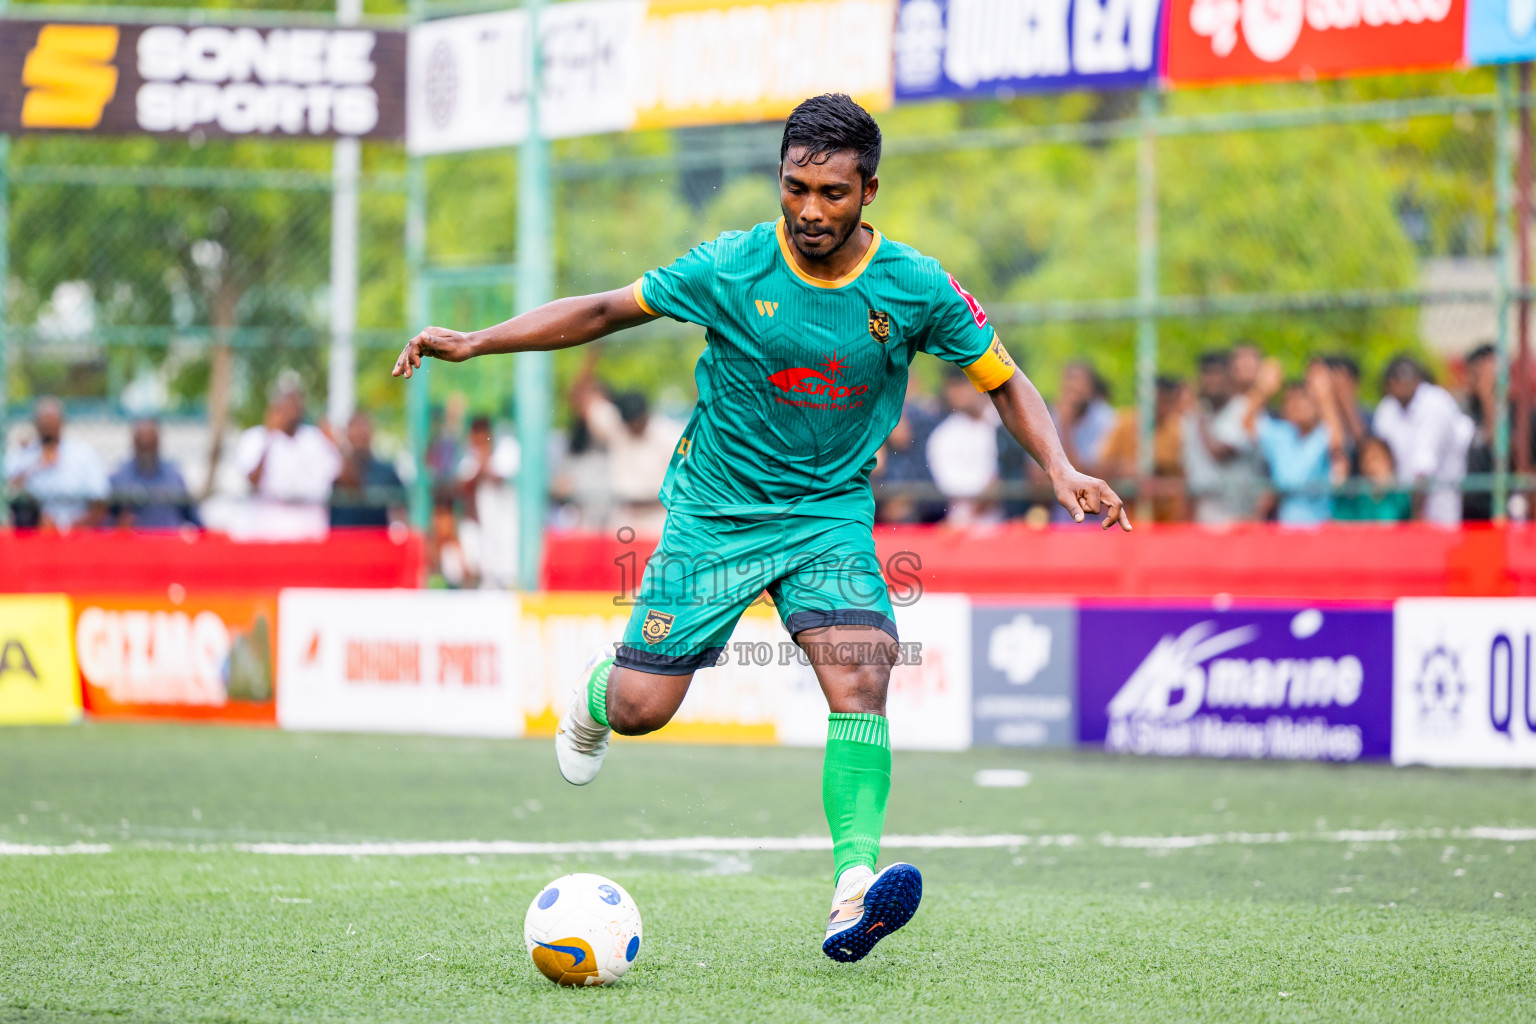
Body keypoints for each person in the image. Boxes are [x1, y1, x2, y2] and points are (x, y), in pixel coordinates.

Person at [392, 94, 1128, 965]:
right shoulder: (733, 265)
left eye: (833, 193)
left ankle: (852, 892)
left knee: (862, 672)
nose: (811, 211)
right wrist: (476, 343)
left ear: (870, 191)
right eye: (795, 187)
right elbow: (602, 311)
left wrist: (1061, 468)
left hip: (828, 519)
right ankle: (597, 696)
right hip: (717, 515)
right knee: (641, 708)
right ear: (778, 179)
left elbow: (1003, 378)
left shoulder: (916, 286)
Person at [572, 363, 683, 534]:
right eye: (631, 425)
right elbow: (580, 398)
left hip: (659, 517)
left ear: (647, 415)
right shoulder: (616, 427)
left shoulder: (669, 434)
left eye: (639, 423)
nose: (635, 428)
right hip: (624, 516)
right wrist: (591, 354)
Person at [232, 375, 341, 541]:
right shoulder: (256, 438)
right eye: (286, 404)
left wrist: (337, 444)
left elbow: (347, 481)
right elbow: (252, 481)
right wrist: (270, 437)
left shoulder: (316, 439)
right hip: (266, 535)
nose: (292, 410)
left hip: (309, 534)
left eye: (296, 404)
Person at [1371, 356, 1474, 526]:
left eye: (1406, 377)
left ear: (1418, 379)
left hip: (1440, 508)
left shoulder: (1435, 402)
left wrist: (1415, 517)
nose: (1401, 384)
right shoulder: (1387, 408)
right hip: (1402, 509)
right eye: (1396, 379)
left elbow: (1423, 468)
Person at [1245, 359, 1346, 526]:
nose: (1296, 405)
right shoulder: (1280, 434)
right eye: (1290, 400)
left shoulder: (1321, 435)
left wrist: (1324, 396)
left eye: (1302, 399)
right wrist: (1262, 390)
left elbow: (1337, 443)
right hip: (1286, 529)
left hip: (1319, 527)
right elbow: (1247, 424)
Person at [1182, 350, 1268, 524]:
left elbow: (1220, 452)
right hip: (1203, 520)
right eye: (1207, 374)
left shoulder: (1245, 410)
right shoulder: (1192, 418)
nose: (1212, 380)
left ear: (1230, 377)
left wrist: (1200, 419)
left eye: (1218, 373)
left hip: (1240, 519)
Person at [4, 397, 108, 531]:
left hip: (75, 533)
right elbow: (7, 490)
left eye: (52, 423)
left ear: (62, 422)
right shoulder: (22, 455)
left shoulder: (84, 455)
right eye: (44, 423)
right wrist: (37, 466)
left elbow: (100, 500)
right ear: (35, 423)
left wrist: (67, 529)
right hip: (32, 533)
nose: (48, 428)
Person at [1098, 376, 1189, 522]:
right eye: (1155, 401)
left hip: (1167, 521)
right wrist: (1125, 469)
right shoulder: (1124, 423)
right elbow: (1100, 467)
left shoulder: (1178, 431)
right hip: (1125, 518)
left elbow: (1182, 476)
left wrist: (1160, 485)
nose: (1159, 407)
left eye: (1165, 401)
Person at [1461, 343, 1536, 521]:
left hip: (1509, 512)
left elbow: (1510, 457)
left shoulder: (1524, 415)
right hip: (1469, 515)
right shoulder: (1463, 413)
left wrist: (1489, 398)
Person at [926, 367, 1000, 525]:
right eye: (954, 387)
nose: (958, 393)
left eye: (964, 385)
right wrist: (987, 491)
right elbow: (948, 483)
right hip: (963, 525)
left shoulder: (1001, 422)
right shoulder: (944, 435)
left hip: (1011, 524)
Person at [108, 418, 199, 529]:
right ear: (134, 443)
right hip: (132, 544)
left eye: (150, 443)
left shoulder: (174, 477)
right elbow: (104, 522)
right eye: (141, 443)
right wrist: (117, 526)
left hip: (168, 542)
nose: (146, 444)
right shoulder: (119, 478)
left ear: (158, 442)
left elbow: (194, 518)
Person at [330, 411, 405, 529]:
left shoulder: (386, 471)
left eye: (363, 428)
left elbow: (401, 506)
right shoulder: (335, 469)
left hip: (377, 540)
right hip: (343, 539)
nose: (360, 434)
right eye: (355, 429)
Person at [1332, 435, 1412, 522]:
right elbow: (1340, 520)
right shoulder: (1355, 500)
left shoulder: (1400, 498)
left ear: (1389, 461)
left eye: (1377, 458)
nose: (1372, 467)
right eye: (1367, 460)